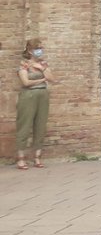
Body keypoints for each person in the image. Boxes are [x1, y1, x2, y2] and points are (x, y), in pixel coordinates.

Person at [15, 39, 57, 170]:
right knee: (24, 125)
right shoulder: (24, 64)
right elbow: (25, 82)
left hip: (43, 95)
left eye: (41, 48)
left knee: (40, 125)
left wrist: (43, 69)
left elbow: (52, 79)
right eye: (37, 48)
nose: (40, 50)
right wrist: (42, 79)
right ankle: (21, 157)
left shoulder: (43, 64)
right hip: (28, 95)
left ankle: (37, 156)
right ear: (30, 50)